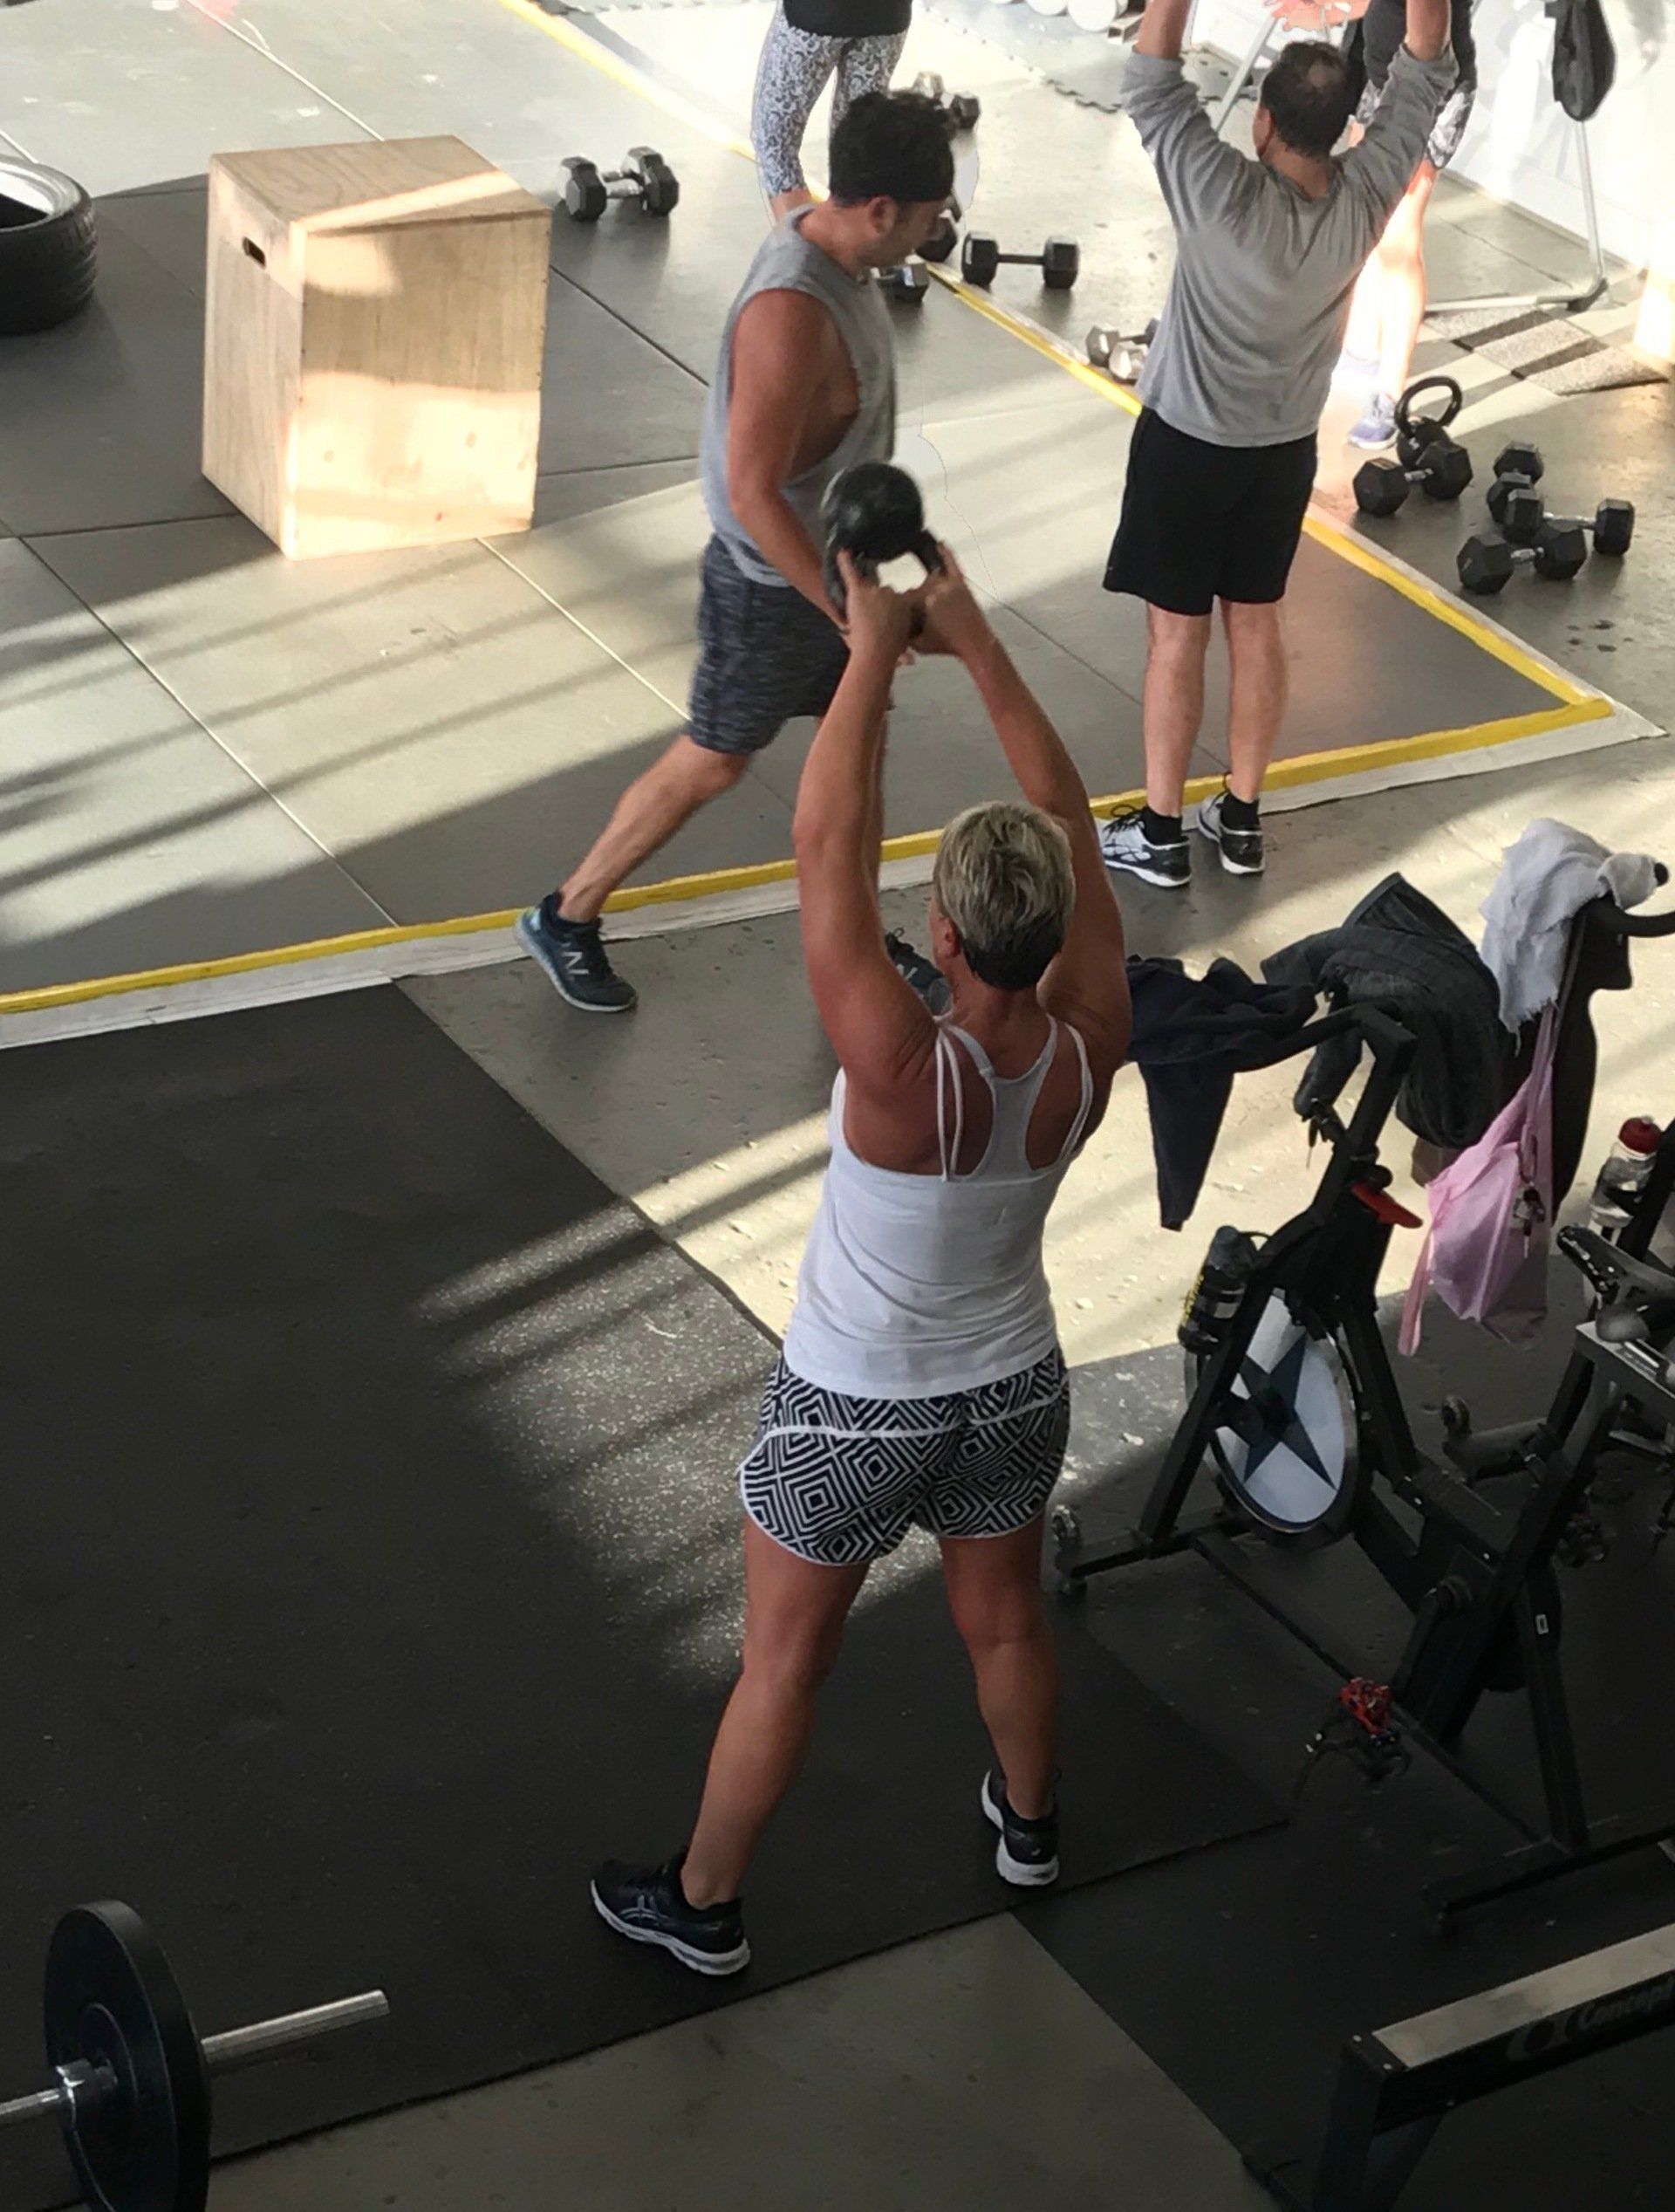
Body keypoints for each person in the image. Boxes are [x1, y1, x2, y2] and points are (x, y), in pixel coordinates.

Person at [590, 551, 1131, 1974]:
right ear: (1057, 922)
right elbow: (1070, 818)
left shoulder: (899, 1065)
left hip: (852, 1411)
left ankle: (702, 1904)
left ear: (941, 934)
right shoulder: (1090, 1045)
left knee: (785, 1665)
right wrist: (978, 639)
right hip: (1013, 1389)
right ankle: (1032, 1822)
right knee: (1004, 1623)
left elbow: (825, 846)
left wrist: (879, 654)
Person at [516, 92, 953, 1014]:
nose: (931, 235)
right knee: (715, 757)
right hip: (776, 587)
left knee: (859, 749)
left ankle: (862, 941)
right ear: (879, 211)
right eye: (923, 220)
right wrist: (843, 611)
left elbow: (781, 168)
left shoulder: (817, 222)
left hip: (835, 569)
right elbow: (753, 491)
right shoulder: (792, 313)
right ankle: (568, 911)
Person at [1097, 0, 1456, 894]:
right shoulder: (1369, 190)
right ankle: (1243, 822)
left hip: (1186, 447)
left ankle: (1162, 833)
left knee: (1175, 639)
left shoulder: (1215, 187)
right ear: (1341, 128)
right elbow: (1428, 63)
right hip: (1281, 456)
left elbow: (1150, 77)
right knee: (1254, 623)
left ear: (1262, 120)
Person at [752, 0, 914, 224]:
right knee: (856, 149)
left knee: (775, 143)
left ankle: (808, 251)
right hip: (888, 18)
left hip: (814, 17)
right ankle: (849, 253)